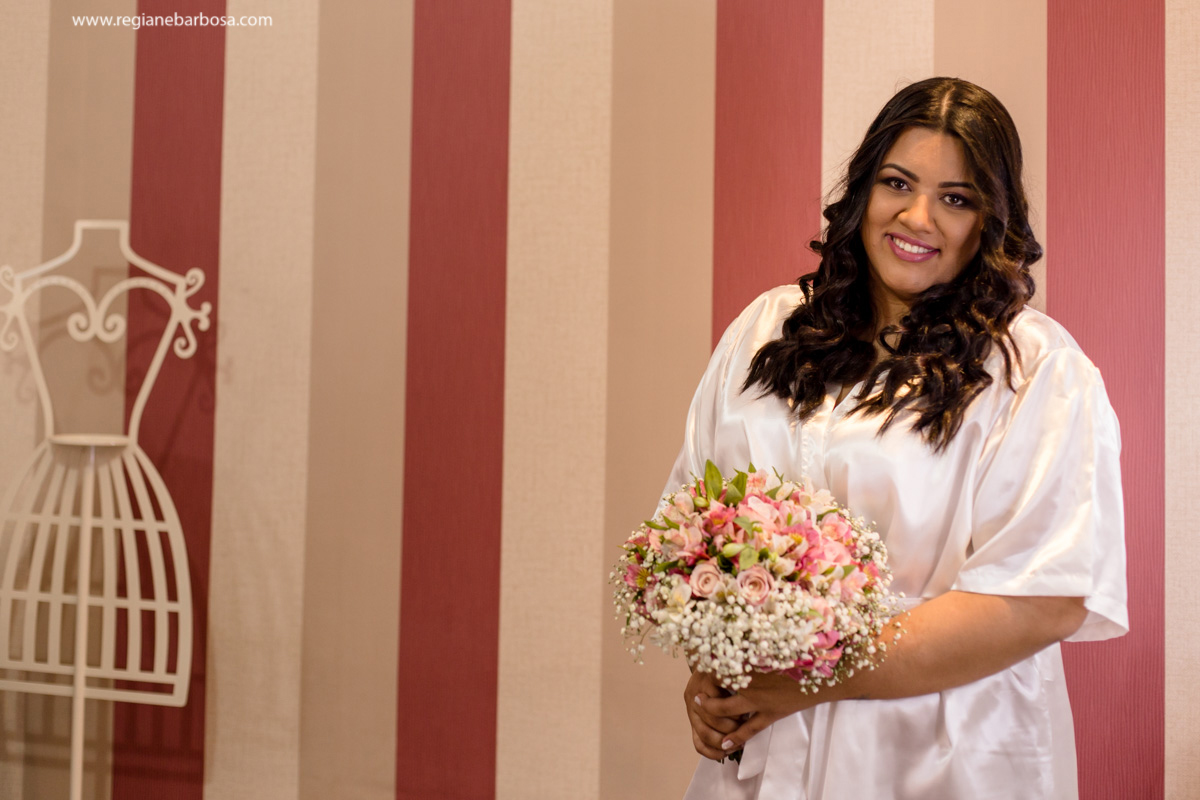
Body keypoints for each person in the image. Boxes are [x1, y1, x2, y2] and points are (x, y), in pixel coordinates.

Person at [667, 77, 1127, 799]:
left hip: (944, 759)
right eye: (897, 182)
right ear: (863, 189)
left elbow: (1046, 598)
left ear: (990, 220)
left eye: (956, 197)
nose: (917, 217)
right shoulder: (767, 330)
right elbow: (694, 527)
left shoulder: (1034, 368)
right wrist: (716, 669)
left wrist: (809, 677)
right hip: (763, 756)